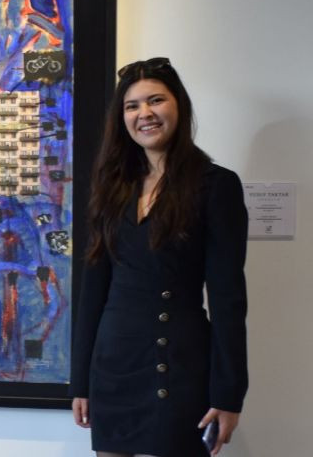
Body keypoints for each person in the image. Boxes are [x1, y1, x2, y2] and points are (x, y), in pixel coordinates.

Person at [70, 58, 248, 457]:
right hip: (113, 366)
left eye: (156, 100)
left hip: (179, 364)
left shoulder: (215, 185)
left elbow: (228, 299)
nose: (144, 114)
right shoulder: (112, 186)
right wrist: (80, 381)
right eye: (132, 106)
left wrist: (229, 393)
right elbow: (93, 290)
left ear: (178, 106)